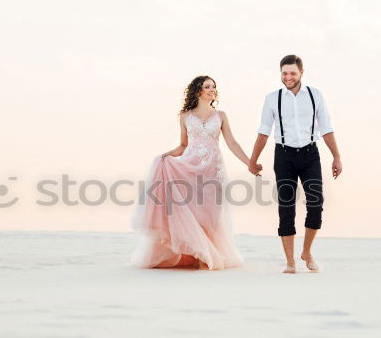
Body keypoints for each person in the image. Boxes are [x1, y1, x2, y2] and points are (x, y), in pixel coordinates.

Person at [130, 75, 250, 270]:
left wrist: (249, 162)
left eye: (214, 87)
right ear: (198, 91)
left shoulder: (221, 116)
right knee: (192, 211)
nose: (212, 90)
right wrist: (167, 156)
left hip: (213, 169)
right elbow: (184, 145)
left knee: (211, 212)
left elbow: (232, 143)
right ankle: (199, 255)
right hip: (190, 167)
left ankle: (207, 254)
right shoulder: (185, 116)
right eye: (208, 87)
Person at [248, 54, 342, 274]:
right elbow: (264, 131)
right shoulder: (273, 98)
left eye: (292, 73)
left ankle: (306, 252)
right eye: (284, 73)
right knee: (286, 207)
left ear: (301, 73)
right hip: (283, 156)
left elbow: (326, 127)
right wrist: (253, 160)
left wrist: (336, 156)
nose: (288, 77)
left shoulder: (315, 95)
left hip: (310, 154)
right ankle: (290, 262)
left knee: (316, 202)